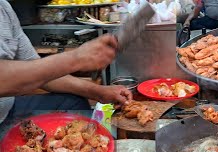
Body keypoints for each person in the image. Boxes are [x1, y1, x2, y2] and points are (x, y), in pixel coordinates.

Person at [0, 0, 132, 122]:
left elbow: (40, 73)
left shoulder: (4, 9)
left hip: (8, 107)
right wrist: (76, 59)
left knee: (75, 102)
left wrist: (98, 92)